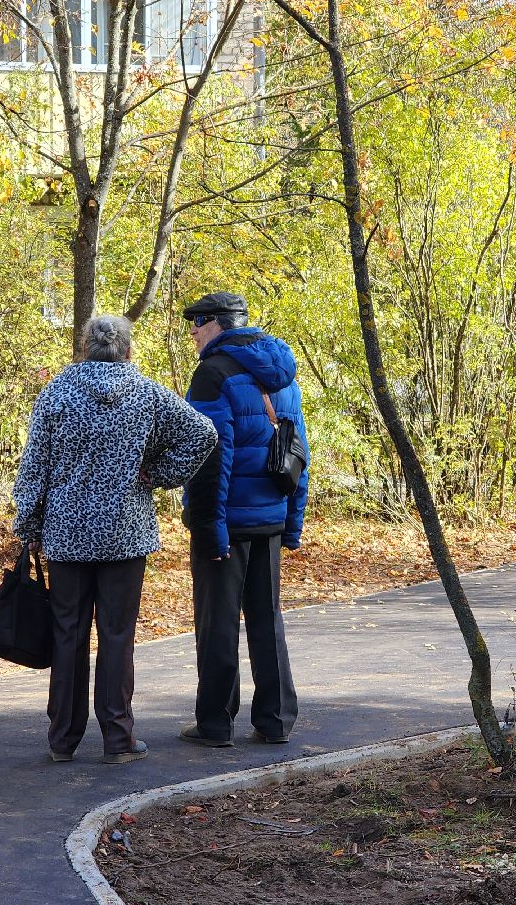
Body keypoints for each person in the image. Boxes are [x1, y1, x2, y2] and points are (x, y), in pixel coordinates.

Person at [13, 315, 216, 765]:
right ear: (127, 350)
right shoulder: (145, 393)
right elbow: (203, 433)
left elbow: (34, 468)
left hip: (66, 532)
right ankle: (118, 739)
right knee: (117, 635)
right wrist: (158, 475)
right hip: (124, 531)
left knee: (68, 634)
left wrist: (27, 525)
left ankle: (62, 740)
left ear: (85, 347)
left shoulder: (57, 393)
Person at [178, 292, 309, 748]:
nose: (192, 330)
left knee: (217, 622)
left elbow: (209, 458)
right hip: (269, 520)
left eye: (198, 322)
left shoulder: (212, 374)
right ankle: (275, 721)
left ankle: (215, 724)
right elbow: (299, 453)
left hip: (227, 522)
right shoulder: (282, 373)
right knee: (266, 620)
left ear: (220, 324)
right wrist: (292, 521)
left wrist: (207, 527)